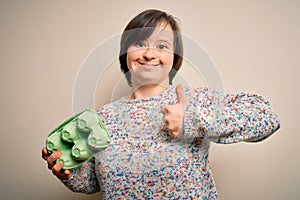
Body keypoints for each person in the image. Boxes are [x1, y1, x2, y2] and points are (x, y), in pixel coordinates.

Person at [42, 9, 280, 199]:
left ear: (175, 57)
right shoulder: (102, 118)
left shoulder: (193, 102)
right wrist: (68, 172)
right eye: (139, 44)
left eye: (162, 46)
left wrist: (193, 120)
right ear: (126, 53)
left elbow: (266, 118)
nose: (149, 54)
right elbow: (93, 184)